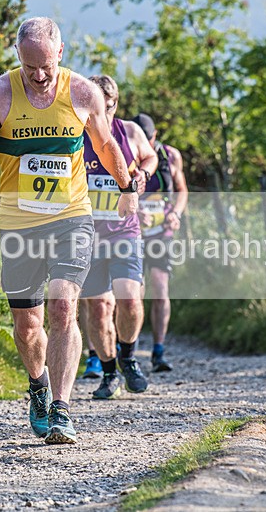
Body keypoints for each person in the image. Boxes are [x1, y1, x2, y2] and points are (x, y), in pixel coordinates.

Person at [0, 17, 139, 444]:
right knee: (27, 325)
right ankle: (38, 387)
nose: (39, 76)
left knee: (63, 306)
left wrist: (127, 187)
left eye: (46, 66)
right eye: (29, 67)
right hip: (20, 223)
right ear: (17, 57)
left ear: (61, 53)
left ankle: (61, 409)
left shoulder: (82, 93)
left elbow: (106, 145)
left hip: (71, 218)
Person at [79, 75, 158, 400]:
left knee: (129, 300)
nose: (104, 112)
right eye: (98, 105)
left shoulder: (129, 131)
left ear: (115, 103)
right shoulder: (75, 132)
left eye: (109, 106)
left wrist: (143, 173)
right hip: (85, 234)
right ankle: (109, 371)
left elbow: (150, 156)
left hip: (124, 229)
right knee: (98, 307)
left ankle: (128, 357)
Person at [132, 113, 189, 372]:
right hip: (132, 231)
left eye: (149, 138)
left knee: (160, 287)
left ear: (155, 136)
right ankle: (128, 351)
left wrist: (176, 213)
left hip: (162, 230)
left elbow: (182, 190)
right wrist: (133, 211)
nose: (145, 143)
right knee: (135, 293)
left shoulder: (169, 155)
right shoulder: (126, 152)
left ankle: (158, 350)